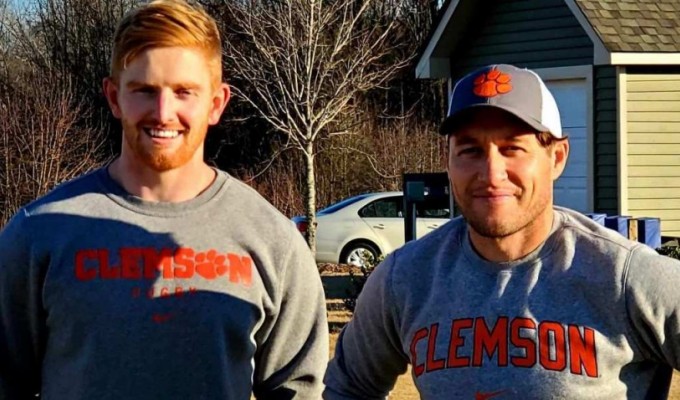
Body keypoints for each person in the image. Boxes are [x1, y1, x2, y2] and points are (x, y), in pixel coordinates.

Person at [0, 1, 328, 398]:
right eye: (144, 91)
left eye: (184, 92)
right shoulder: (38, 233)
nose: (163, 112)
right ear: (114, 97)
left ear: (216, 103)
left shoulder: (272, 241)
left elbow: (298, 390)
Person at [323, 63, 680, 399]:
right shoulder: (405, 278)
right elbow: (347, 389)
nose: (492, 173)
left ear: (556, 157)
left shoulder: (626, 277)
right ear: (448, 161)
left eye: (512, 149)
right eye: (470, 150)